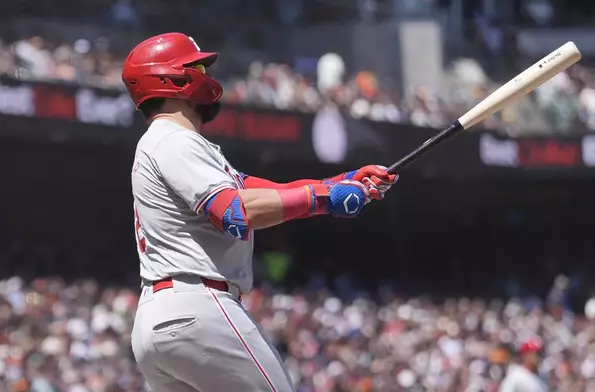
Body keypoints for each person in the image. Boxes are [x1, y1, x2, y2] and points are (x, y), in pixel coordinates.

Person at [122, 32, 398, 392]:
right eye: (198, 66)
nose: (207, 73)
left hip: (158, 322)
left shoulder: (166, 143)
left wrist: (338, 183)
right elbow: (235, 211)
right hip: (199, 308)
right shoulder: (174, 138)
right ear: (173, 78)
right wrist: (323, 197)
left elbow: (265, 191)